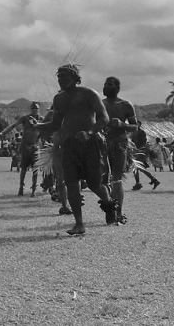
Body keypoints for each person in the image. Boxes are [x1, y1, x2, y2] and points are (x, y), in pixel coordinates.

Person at [35, 64, 118, 235]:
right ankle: (79, 223)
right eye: (59, 77)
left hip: (91, 143)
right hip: (70, 145)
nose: (61, 80)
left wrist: (89, 132)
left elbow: (104, 118)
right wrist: (38, 125)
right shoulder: (59, 99)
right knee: (71, 182)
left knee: (95, 184)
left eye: (64, 76)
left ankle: (109, 203)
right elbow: (56, 124)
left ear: (75, 78)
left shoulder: (89, 94)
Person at [102, 77, 158, 225]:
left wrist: (121, 124)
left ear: (117, 87)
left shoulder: (126, 105)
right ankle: (110, 209)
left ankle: (118, 213)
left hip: (120, 145)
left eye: (110, 84)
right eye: (106, 84)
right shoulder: (100, 104)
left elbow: (135, 127)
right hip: (102, 144)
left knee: (116, 179)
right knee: (103, 180)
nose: (107, 86)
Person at [0, 101, 43, 196]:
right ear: (31, 109)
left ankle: (33, 190)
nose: (35, 110)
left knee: (35, 170)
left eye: (36, 109)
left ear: (38, 110)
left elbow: (46, 130)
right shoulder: (25, 118)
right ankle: (21, 188)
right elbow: (14, 125)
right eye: (33, 109)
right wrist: (3, 132)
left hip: (35, 147)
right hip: (25, 147)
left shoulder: (41, 120)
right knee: (23, 169)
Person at [130, 120, 161, 191]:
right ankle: (153, 180)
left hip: (141, 151)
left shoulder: (142, 132)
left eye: (137, 124)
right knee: (138, 168)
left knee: (137, 168)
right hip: (136, 151)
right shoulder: (133, 133)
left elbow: (144, 142)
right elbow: (132, 142)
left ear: (139, 125)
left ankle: (139, 183)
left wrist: (140, 150)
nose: (136, 125)